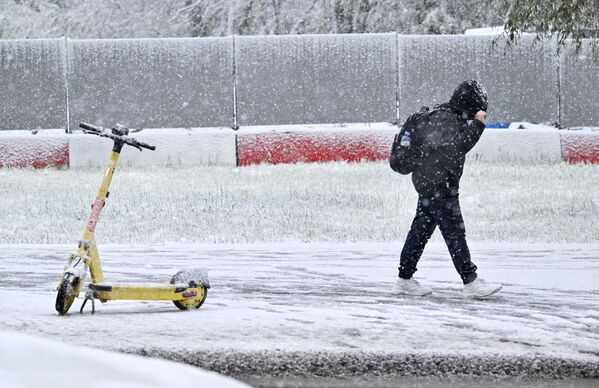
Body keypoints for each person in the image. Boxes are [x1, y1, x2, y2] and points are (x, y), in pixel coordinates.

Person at [389, 80, 502, 299]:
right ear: (469, 104)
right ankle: (471, 282)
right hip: (441, 188)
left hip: (427, 187)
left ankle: (404, 279)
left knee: (419, 233)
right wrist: (478, 125)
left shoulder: (440, 116)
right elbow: (457, 148)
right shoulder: (448, 120)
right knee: (455, 234)